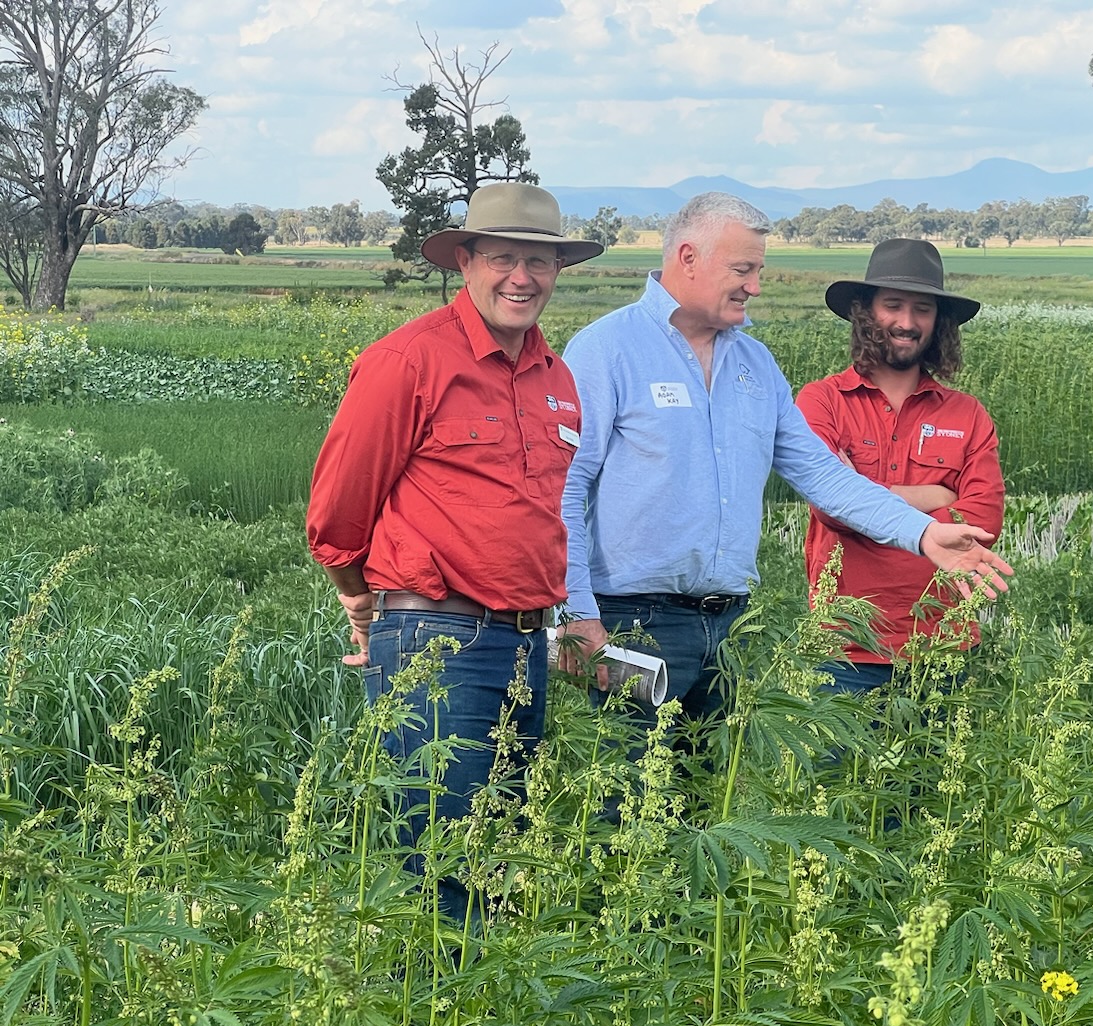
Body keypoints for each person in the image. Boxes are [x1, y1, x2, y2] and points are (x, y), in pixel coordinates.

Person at [558, 193, 1010, 723]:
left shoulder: (754, 363)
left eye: (759, 270)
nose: (755, 285)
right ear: (687, 258)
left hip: (731, 625)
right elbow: (565, 487)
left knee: (712, 796)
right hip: (634, 620)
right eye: (743, 269)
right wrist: (577, 611)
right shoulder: (606, 350)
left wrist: (924, 533)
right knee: (622, 793)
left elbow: (822, 475)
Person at [306, 183, 603, 922]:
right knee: (441, 849)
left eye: (539, 261)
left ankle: (486, 1016)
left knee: (505, 844)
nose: (522, 278)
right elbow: (337, 508)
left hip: (528, 638)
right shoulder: (408, 361)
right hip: (437, 636)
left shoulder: (557, 379)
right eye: (503, 257)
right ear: (466, 261)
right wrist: (358, 598)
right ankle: (433, 1018)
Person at [796, 239, 1004, 693]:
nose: (907, 323)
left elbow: (983, 519)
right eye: (893, 305)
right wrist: (938, 496)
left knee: (937, 766)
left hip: (942, 647)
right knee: (835, 768)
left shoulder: (967, 414)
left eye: (922, 309)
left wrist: (865, 490)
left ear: (939, 321)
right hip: (844, 648)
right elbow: (833, 505)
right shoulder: (821, 402)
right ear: (866, 312)